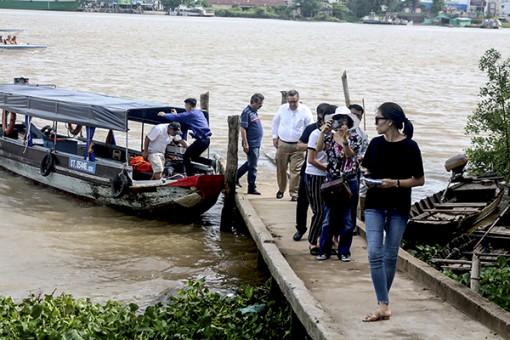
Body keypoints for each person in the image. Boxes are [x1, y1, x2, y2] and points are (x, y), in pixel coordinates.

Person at [361, 102, 424, 322]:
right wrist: (369, 180)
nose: (375, 122)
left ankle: (382, 304)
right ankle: (384, 304)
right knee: (374, 253)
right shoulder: (376, 144)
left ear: (389, 121)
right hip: (374, 203)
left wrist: (395, 183)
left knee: (390, 255)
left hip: (399, 205)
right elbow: (368, 169)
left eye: (378, 119)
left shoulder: (410, 147)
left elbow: (419, 180)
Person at [315, 107, 363, 262]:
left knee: (347, 220)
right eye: (337, 119)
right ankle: (324, 250)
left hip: (349, 180)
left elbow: (351, 155)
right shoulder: (329, 136)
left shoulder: (354, 137)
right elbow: (318, 149)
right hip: (332, 180)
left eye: (343, 119)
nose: (340, 122)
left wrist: (345, 142)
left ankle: (344, 251)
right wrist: (323, 132)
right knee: (328, 218)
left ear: (348, 122)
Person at [293, 103, 332, 242]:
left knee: (322, 206)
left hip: (326, 172)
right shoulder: (312, 129)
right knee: (302, 199)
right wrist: (313, 145)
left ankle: (321, 234)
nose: (321, 120)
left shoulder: (334, 132)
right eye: (319, 117)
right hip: (310, 169)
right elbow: (299, 145)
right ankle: (300, 228)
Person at [302, 104, 337, 254]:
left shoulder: (336, 135)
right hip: (315, 175)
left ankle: (327, 240)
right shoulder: (316, 134)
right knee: (319, 210)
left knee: (330, 210)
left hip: (329, 176)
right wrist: (328, 168)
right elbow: (312, 159)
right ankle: (313, 241)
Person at [271, 89, 313, 201]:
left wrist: (308, 143)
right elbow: (275, 122)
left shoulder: (305, 110)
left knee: (296, 170)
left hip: (298, 145)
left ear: (298, 99)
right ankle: (281, 189)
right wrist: (275, 137)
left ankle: (294, 193)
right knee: (281, 169)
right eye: (290, 102)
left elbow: (310, 127)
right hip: (283, 143)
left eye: (294, 101)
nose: (292, 104)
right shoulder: (282, 109)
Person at [158, 98, 211, 176]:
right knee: (194, 157)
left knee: (186, 156)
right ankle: (211, 162)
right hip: (206, 140)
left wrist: (164, 114)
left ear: (189, 106)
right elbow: (180, 117)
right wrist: (176, 115)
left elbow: (176, 118)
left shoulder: (190, 114)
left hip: (202, 140)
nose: (185, 108)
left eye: (185, 106)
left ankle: (189, 176)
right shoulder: (199, 113)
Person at [237, 93, 264, 195]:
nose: (260, 106)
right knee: (253, 166)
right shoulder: (246, 112)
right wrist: (245, 143)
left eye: (261, 104)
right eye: (259, 104)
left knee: (250, 163)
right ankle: (251, 187)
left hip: (256, 143)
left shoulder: (254, 112)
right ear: (253, 102)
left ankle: (236, 176)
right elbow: (243, 129)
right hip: (251, 143)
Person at [348, 104, 369, 231]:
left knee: (353, 199)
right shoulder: (339, 130)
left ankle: (351, 225)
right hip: (338, 172)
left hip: (354, 171)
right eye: (353, 114)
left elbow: (365, 151)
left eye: (359, 116)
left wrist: (360, 157)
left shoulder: (363, 134)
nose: (356, 118)